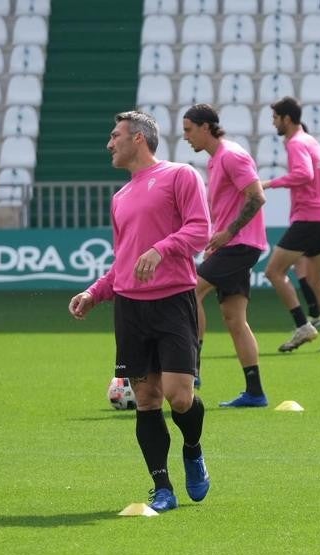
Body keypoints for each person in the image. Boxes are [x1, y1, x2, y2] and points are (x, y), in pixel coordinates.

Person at [69, 111, 211, 512]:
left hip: (173, 301)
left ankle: (193, 449)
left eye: (115, 135)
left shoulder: (180, 175)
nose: (109, 144)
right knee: (147, 400)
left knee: (179, 397)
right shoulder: (120, 197)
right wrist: (95, 292)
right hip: (131, 308)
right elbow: (124, 260)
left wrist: (160, 249)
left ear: (139, 139)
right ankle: (162, 488)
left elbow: (200, 230)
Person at [181, 103, 269, 408]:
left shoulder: (231, 155)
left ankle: (192, 369)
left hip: (240, 245)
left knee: (190, 291)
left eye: (189, 130)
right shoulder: (215, 160)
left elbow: (257, 197)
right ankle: (255, 393)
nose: (186, 137)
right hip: (232, 245)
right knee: (235, 319)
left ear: (206, 127)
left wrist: (228, 233)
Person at [261, 96, 320, 353]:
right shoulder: (312, 142)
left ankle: (303, 325)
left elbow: (304, 174)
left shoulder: (296, 143)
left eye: (275, 118)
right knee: (316, 279)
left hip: (309, 219)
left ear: (287, 119)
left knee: (273, 272)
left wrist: (269, 183)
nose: (274, 123)